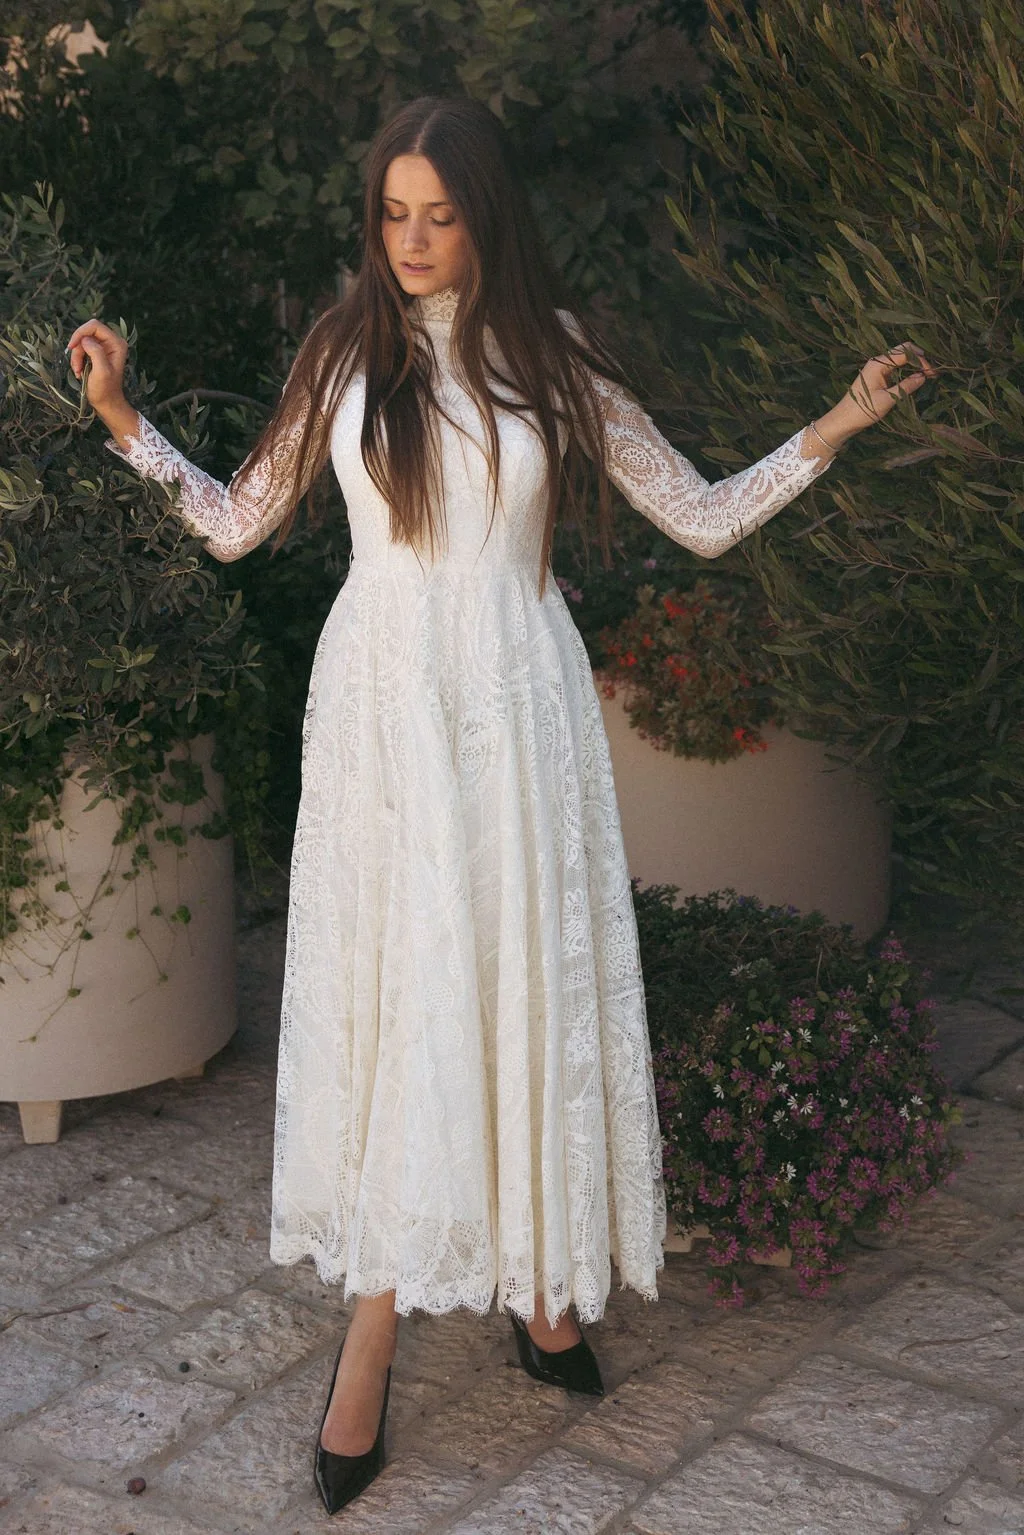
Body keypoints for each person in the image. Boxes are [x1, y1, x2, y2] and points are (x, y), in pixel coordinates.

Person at [67, 94, 936, 1516]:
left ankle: (540, 1289)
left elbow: (700, 515)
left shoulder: (553, 354)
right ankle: (372, 1334)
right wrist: (123, 422)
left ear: (486, 218)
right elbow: (235, 524)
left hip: (521, 706)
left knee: (521, 982)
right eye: (392, 213)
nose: (410, 240)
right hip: (383, 709)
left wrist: (839, 420)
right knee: (409, 996)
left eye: (440, 214)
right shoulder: (341, 348)